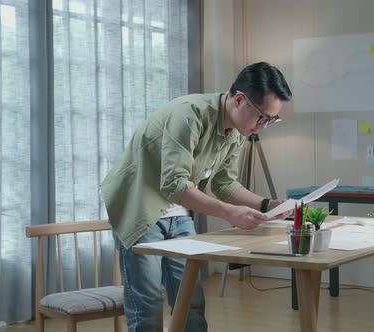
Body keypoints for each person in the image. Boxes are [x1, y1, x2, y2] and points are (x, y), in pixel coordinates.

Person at [101, 62, 292, 331]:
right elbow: (174, 186)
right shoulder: (189, 115)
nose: (264, 126)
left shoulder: (237, 132)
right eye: (262, 117)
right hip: (139, 207)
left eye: (271, 120)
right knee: (148, 305)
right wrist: (228, 213)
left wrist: (266, 204)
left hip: (178, 212)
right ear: (239, 100)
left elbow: (225, 183)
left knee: (191, 300)